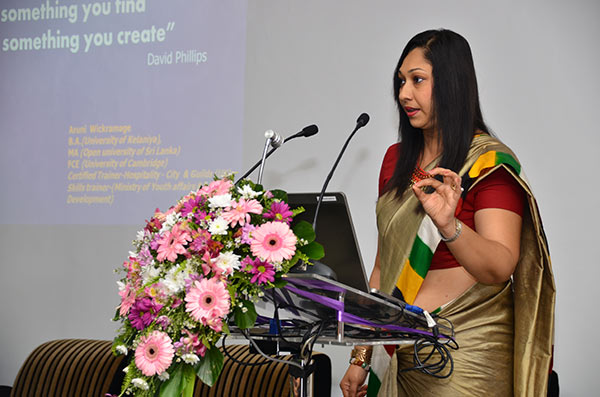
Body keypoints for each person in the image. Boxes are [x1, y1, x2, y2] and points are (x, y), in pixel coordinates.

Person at [339, 29, 555, 397]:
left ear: (453, 85)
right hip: (399, 353)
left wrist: (449, 225)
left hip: (466, 357)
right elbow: (383, 268)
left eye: (418, 80)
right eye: (401, 81)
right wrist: (360, 355)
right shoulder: (395, 161)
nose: (404, 93)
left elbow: (500, 265)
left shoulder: (487, 163)